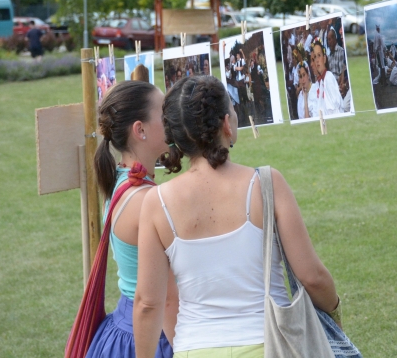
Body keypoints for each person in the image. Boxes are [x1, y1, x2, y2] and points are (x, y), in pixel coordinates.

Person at [134, 76, 342, 358]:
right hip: (271, 344)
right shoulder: (267, 184)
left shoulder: (155, 203)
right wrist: (335, 310)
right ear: (226, 124)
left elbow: (148, 303)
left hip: (194, 348)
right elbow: (312, 276)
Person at [86, 81, 175, 358]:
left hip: (124, 329)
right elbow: (167, 297)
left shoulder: (121, 181)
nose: (172, 119)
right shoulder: (147, 199)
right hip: (153, 335)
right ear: (140, 130)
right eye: (164, 113)